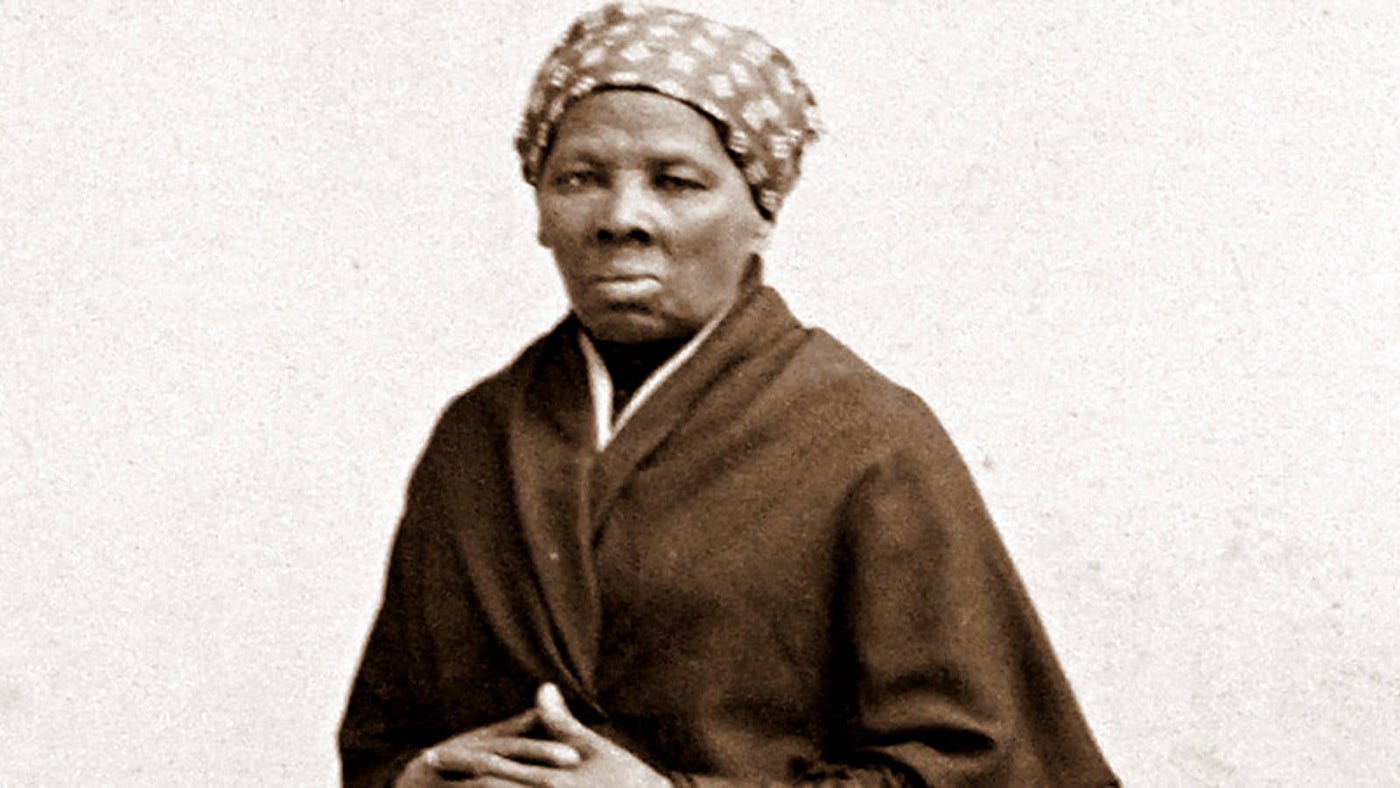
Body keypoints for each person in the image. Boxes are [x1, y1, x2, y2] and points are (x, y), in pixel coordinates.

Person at [339, 4, 1118, 786]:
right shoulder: (476, 434)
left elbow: (981, 770)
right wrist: (414, 775)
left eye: (676, 182)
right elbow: (382, 741)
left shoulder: (867, 437)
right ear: (540, 207)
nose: (621, 218)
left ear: (761, 214)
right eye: (580, 178)